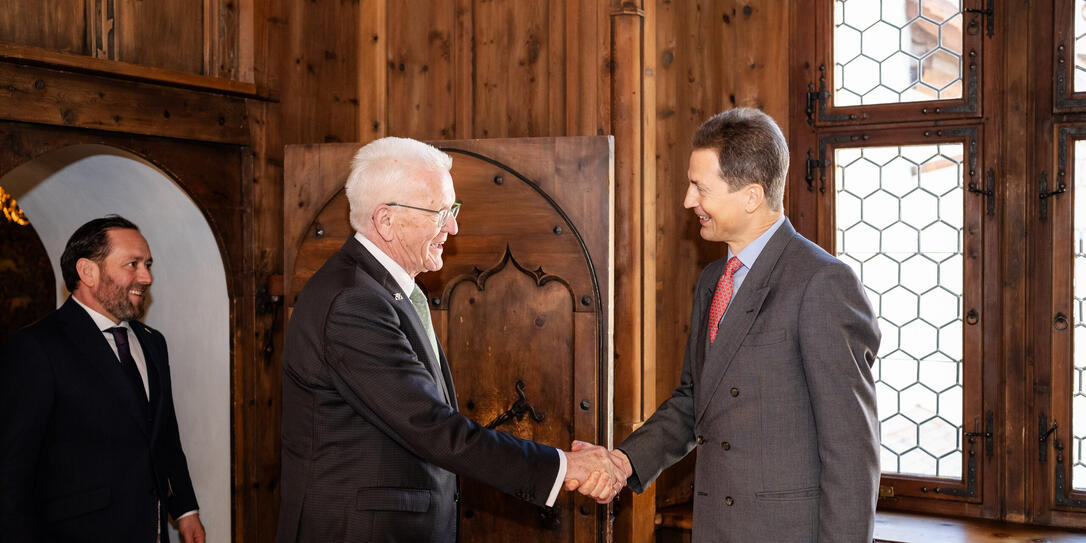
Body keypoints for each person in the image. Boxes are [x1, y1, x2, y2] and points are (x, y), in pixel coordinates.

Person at [276, 137, 622, 543]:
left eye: (452, 210)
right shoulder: (353, 301)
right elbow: (431, 427)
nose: (453, 227)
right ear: (386, 220)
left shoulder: (379, 289)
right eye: (440, 212)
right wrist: (563, 467)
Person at [594, 108, 881, 541]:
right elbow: (695, 401)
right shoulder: (713, 280)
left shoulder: (822, 283)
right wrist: (625, 461)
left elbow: (852, 451)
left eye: (700, 188)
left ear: (751, 196)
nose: (689, 201)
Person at [0, 215, 205, 542]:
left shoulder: (153, 342)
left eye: (148, 264)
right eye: (133, 264)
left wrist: (185, 510)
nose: (147, 277)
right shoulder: (37, 347)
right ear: (87, 272)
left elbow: (164, 435)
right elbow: (11, 474)